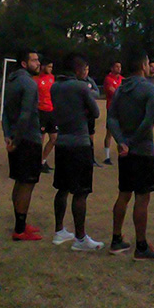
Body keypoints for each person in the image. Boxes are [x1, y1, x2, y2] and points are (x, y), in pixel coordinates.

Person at [107, 50, 154, 260]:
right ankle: (141, 245)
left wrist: (121, 141)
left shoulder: (121, 89)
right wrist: (129, 142)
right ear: (143, 65)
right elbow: (148, 121)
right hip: (142, 149)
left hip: (125, 151)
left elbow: (111, 118)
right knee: (142, 197)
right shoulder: (149, 89)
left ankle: (116, 239)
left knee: (124, 193)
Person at [50, 53, 104, 251]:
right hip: (79, 143)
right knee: (80, 192)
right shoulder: (81, 87)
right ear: (78, 70)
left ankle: (59, 230)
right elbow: (96, 112)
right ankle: (80, 238)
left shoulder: (55, 86)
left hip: (62, 142)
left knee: (62, 188)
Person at [2, 49, 44, 242]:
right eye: (34, 60)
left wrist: (8, 137)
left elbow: (5, 113)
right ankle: (19, 229)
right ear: (24, 64)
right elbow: (26, 114)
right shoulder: (28, 83)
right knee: (27, 183)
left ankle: (20, 223)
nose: (38, 63)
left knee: (20, 181)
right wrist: (17, 140)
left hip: (16, 138)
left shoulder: (11, 82)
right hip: (28, 140)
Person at [36, 60, 57, 173]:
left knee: (54, 138)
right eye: (49, 66)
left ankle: (43, 160)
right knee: (41, 139)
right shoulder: (36, 79)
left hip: (51, 111)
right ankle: (37, 163)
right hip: (41, 112)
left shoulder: (52, 78)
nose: (50, 69)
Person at [102, 61, 123, 165]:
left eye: (120, 67)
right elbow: (113, 93)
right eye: (116, 66)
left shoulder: (122, 79)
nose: (119, 68)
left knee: (122, 132)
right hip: (112, 108)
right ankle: (107, 156)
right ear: (112, 68)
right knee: (109, 132)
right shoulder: (108, 79)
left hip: (121, 108)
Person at [84, 73, 102, 168]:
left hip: (90, 114)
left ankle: (91, 158)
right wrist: (89, 92)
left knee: (91, 135)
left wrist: (88, 92)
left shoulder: (90, 80)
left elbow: (97, 93)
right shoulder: (78, 82)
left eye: (87, 69)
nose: (86, 71)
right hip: (82, 114)